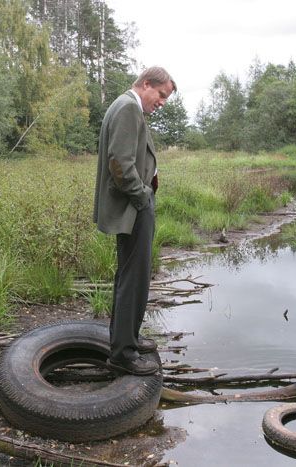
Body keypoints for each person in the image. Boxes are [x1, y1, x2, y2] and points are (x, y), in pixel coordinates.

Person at [93, 67, 176, 375]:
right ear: (146, 84)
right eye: (161, 94)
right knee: (134, 278)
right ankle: (123, 354)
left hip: (135, 204)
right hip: (133, 207)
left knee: (132, 275)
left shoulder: (127, 106)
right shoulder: (128, 107)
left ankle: (127, 338)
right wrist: (142, 197)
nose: (163, 102)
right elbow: (119, 163)